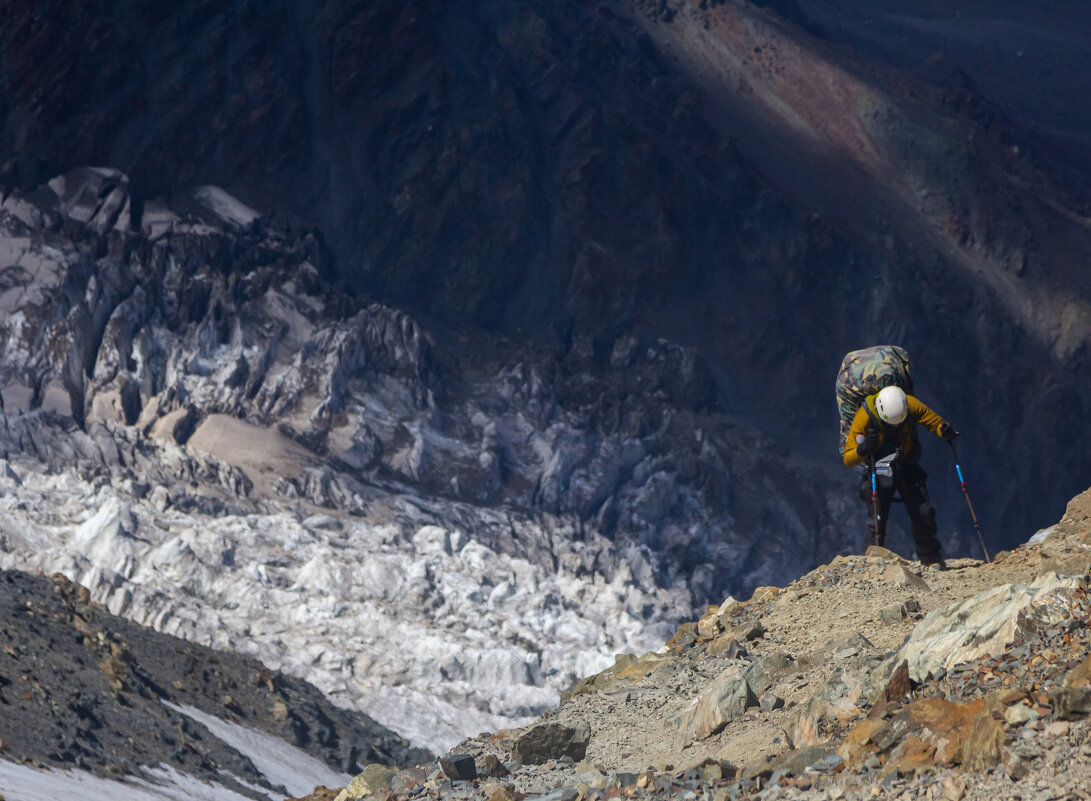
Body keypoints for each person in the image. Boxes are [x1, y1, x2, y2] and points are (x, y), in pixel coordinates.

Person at [842, 385, 958, 567]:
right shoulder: (865, 417)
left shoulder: (909, 405)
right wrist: (863, 449)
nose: (896, 425)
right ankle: (871, 564)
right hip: (879, 468)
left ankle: (930, 559)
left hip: (906, 464)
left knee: (923, 511)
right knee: (877, 518)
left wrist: (943, 430)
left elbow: (932, 420)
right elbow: (848, 458)